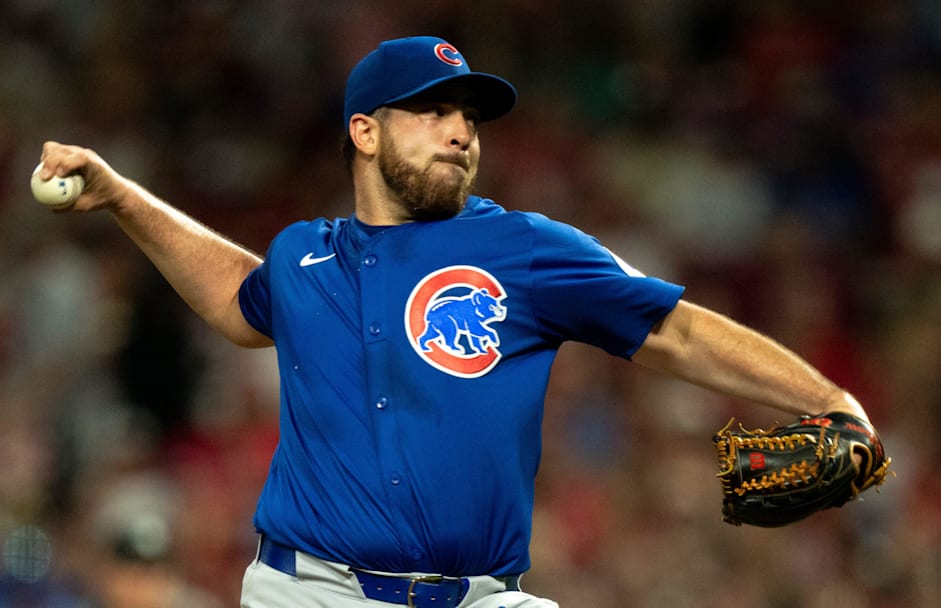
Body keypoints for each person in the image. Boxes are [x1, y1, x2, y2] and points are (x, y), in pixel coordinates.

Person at [37, 36, 874, 608]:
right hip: (313, 592)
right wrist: (118, 195)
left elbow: (676, 329)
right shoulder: (303, 260)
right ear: (365, 132)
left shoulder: (524, 247)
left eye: (469, 116)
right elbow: (238, 301)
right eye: (433, 110)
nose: (461, 131)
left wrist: (827, 394)